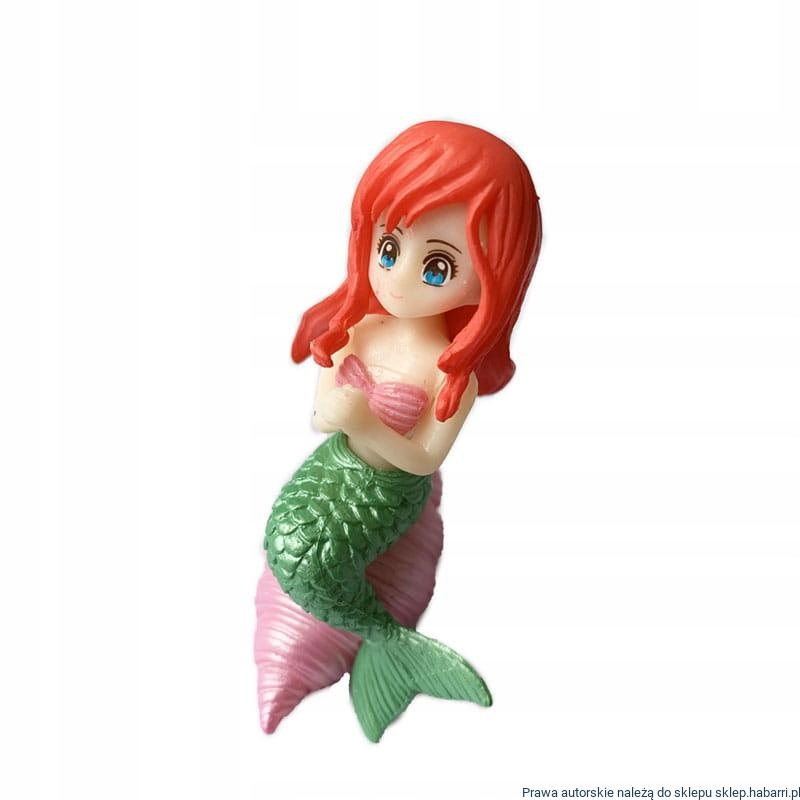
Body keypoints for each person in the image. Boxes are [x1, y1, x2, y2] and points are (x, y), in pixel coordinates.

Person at [256, 120, 542, 742]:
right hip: (334, 469)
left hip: (389, 493)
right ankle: (367, 638)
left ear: (493, 276)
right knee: (288, 544)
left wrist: (363, 420)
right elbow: (321, 415)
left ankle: (385, 645)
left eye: (437, 266)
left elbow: (423, 458)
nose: (398, 277)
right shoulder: (356, 331)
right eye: (389, 249)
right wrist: (345, 416)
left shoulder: (450, 373)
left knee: (315, 556)